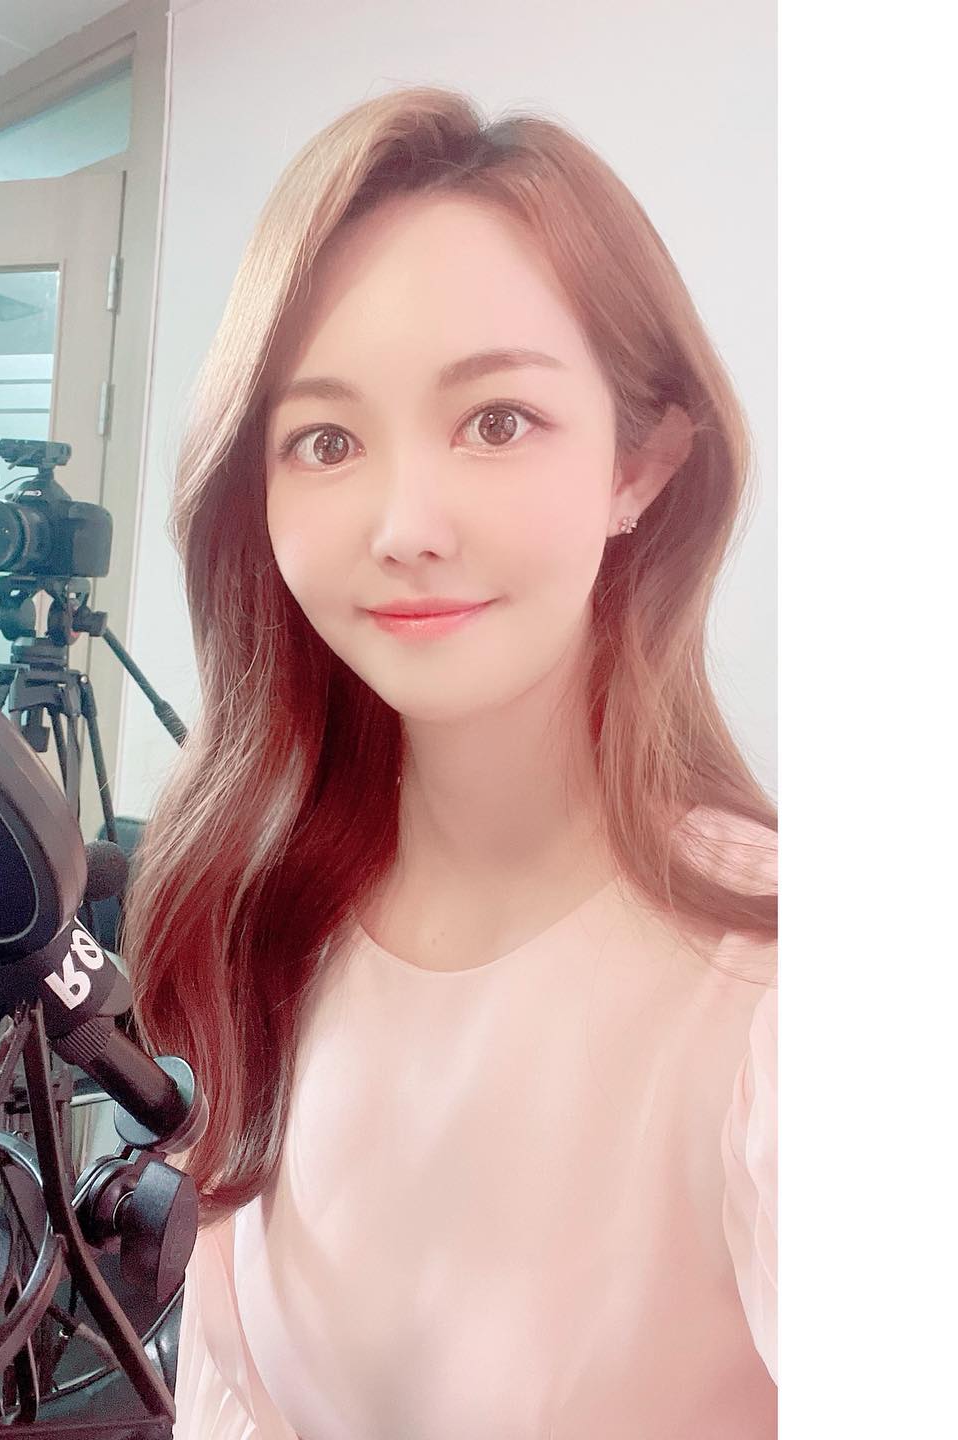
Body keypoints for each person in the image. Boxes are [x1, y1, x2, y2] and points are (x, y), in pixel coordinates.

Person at [122, 85, 777, 1440]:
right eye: (325, 441)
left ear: (643, 465)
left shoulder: (777, 995)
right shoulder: (268, 919)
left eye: (496, 421)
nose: (404, 525)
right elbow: (234, 1397)